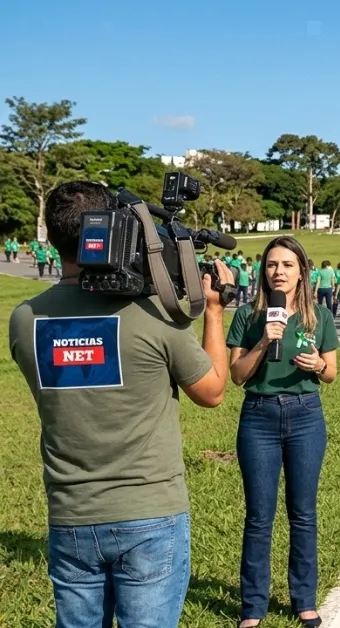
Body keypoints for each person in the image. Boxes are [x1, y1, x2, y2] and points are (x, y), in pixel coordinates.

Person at [9, 181, 231, 628]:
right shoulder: (153, 315)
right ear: (112, 228)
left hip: (71, 513)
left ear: (53, 238)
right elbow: (212, 392)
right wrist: (213, 311)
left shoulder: (25, 320)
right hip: (149, 512)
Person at [227, 236, 339, 628]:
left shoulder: (318, 317)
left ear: (302, 272)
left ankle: (304, 599)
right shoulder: (248, 315)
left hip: (305, 416)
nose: (279, 272)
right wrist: (263, 342)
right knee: (259, 516)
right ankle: (253, 606)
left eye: (288, 265)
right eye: (272, 264)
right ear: (263, 271)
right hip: (258, 417)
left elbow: (332, 374)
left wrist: (316, 367)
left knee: (303, 513)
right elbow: (237, 376)